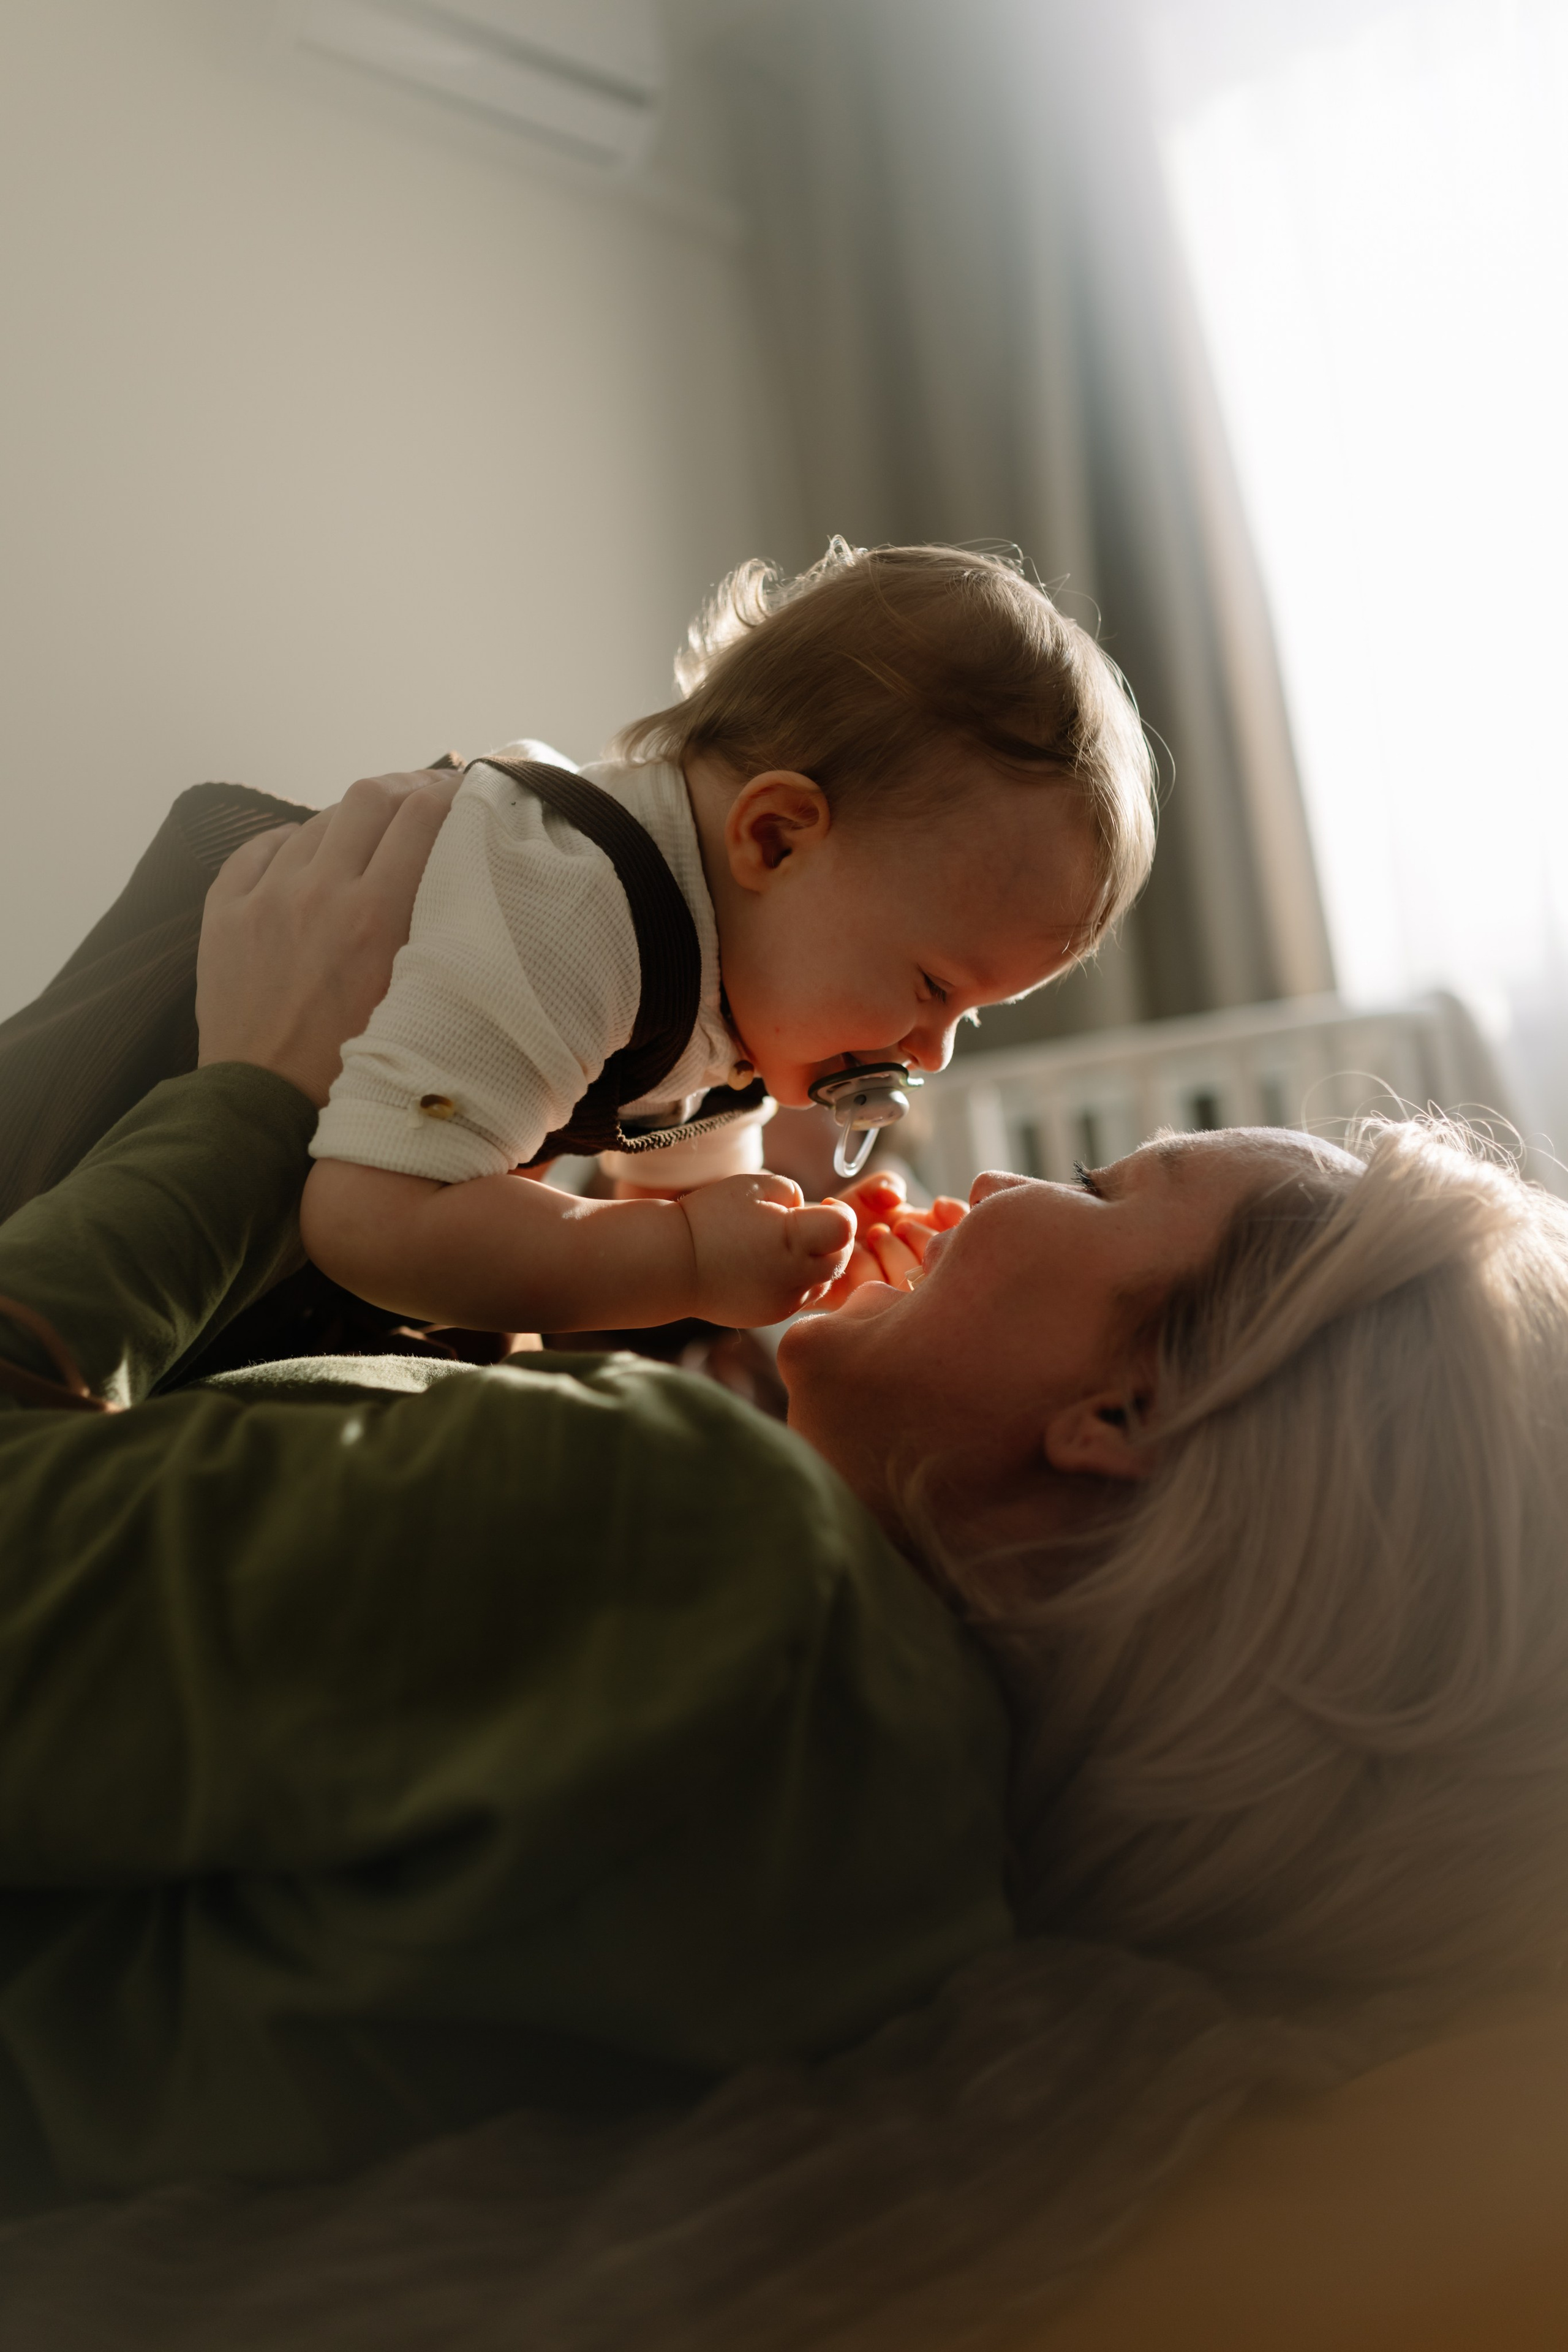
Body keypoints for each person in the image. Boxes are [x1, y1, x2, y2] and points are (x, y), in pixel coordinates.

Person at [4, 770, 1568, 2249]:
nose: (1004, 1187)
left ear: (1123, 1417)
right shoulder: (906, 1875)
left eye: (1096, 1192)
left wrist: (253, 1103)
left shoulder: (711, 1556)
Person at [299, 540, 1156, 1337]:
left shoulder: (730, 984)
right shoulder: (583, 911)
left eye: (968, 1016)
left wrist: (809, 1260)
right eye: (934, 987)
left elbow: (666, 1203)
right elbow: (370, 1216)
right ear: (776, 837)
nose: (932, 1056)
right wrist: (690, 1259)